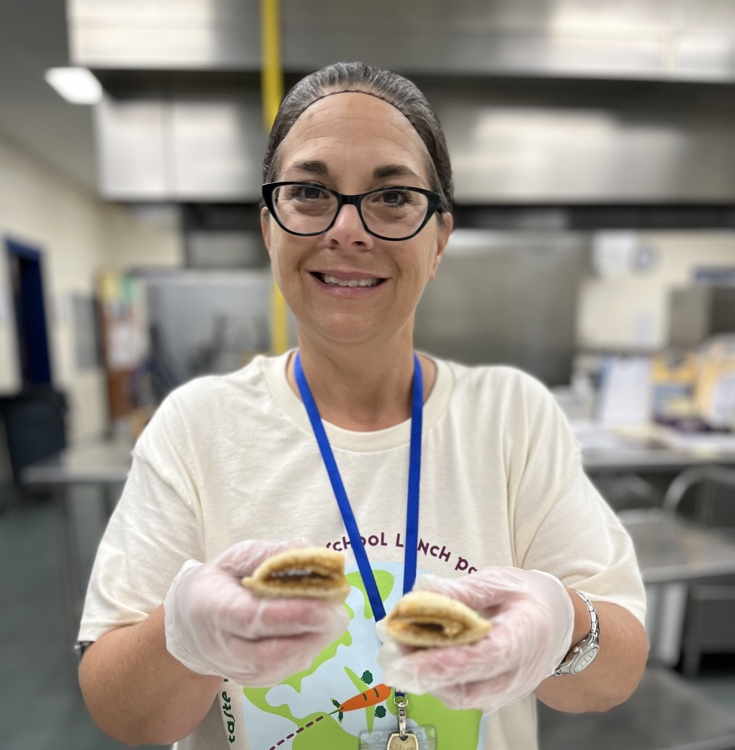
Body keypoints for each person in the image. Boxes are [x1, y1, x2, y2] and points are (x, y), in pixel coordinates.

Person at [77, 61, 648, 750]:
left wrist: (568, 625)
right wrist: (183, 637)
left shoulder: (511, 417)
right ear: (269, 229)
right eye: (311, 192)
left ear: (439, 242)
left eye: (393, 198)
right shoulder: (197, 427)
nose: (348, 230)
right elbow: (124, 715)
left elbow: (611, 678)